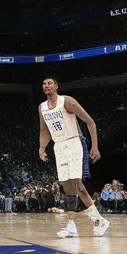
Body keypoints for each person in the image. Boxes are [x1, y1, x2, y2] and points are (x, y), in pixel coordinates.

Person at [36, 77, 109, 238]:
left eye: (49, 83)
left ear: (56, 86)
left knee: (74, 185)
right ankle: (98, 220)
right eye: (44, 83)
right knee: (71, 186)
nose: (46, 85)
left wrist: (95, 146)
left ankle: (71, 225)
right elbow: (44, 131)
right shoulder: (42, 108)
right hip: (59, 146)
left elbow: (90, 122)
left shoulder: (66, 101)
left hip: (75, 142)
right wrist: (42, 148)